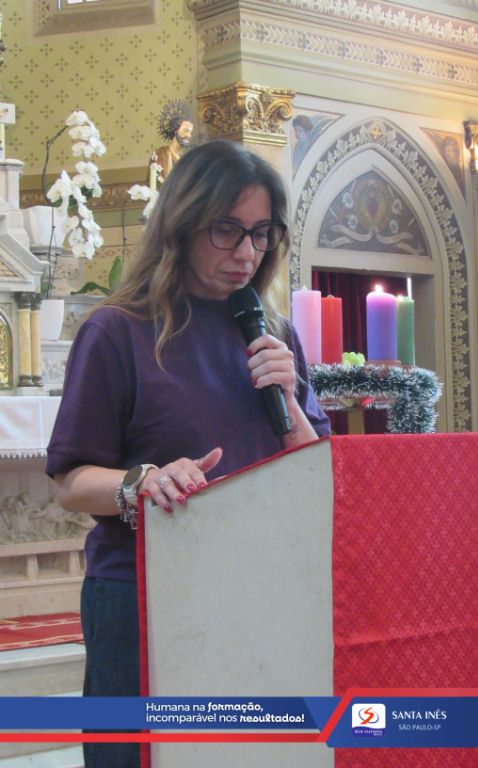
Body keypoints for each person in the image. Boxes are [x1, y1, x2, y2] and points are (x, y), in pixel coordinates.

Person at [46, 139, 331, 768]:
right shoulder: (117, 330)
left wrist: (288, 398)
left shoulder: (274, 333)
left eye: (261, 233)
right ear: (182, 224)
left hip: (261, 584)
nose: (246, 253)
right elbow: (69, 482)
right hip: (142, 591)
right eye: (226, 230)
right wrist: (142, 480)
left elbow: (318, 474)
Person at [149, 99, 194, 185]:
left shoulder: (185, 157)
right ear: (175, 130)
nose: (189, 135)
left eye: (191, 132)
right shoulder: (161, 154)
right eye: (186, 131)